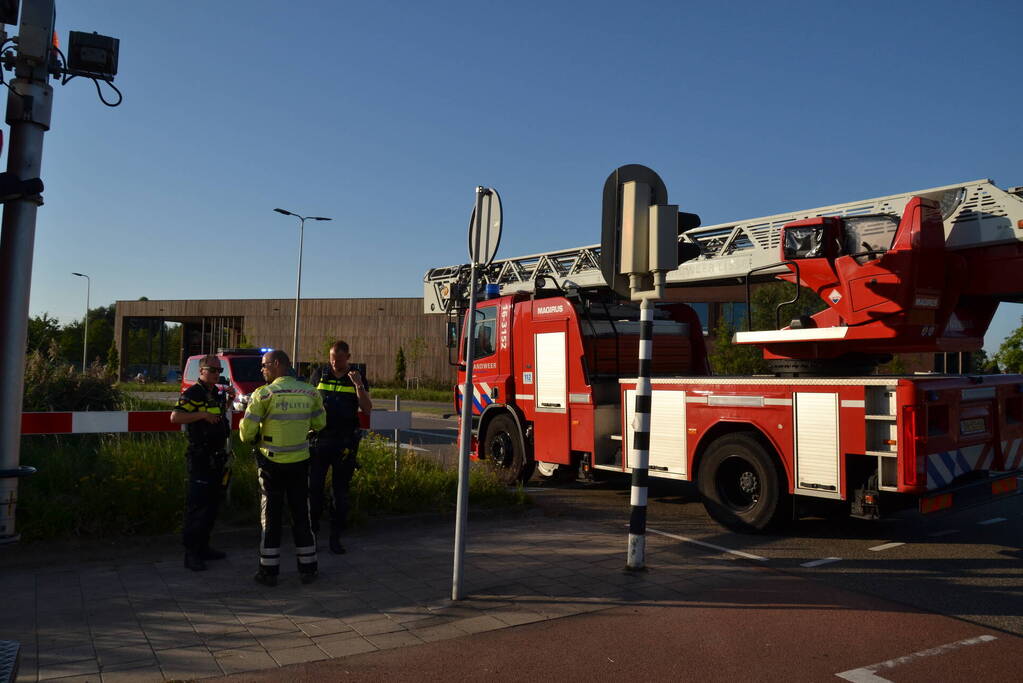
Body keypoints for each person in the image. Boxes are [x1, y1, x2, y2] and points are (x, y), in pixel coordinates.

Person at [239, 349, 326, 586]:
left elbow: (246, 434)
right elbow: (320, 423)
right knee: (302, 517)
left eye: (264, 365)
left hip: (270, 465)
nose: (262, 369)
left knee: (271, 517)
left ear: (277, 364)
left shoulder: (263, 395)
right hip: (300, 463)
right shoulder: (310, 392)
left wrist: (252, 434)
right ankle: (308, 569)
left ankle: (269, 572)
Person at [309, 340, 372, 554]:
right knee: (314, 489)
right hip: (320, 441)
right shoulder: (319, 374)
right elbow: (310, 402)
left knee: (340, 493)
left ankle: (335, 537)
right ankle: (312, 534)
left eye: (339, 358)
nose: (335, 362)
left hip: (345, 443)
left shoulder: (356, 377)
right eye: (332, 358)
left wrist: (358, 385)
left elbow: (367, 408)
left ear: (348, 357)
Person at [170, 354, 231, 571]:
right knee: (198, 506)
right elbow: (175, 417)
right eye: (213, 370)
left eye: (219, 370)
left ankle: (204, 547)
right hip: (200, 457)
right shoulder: (194, 392)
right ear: (202, 371)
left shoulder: (214, 392)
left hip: (216, 456)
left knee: (212, 505)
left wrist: (229, 401)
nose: (217, 374)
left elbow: (219, 418)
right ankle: (191, 553)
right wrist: (201, 415)